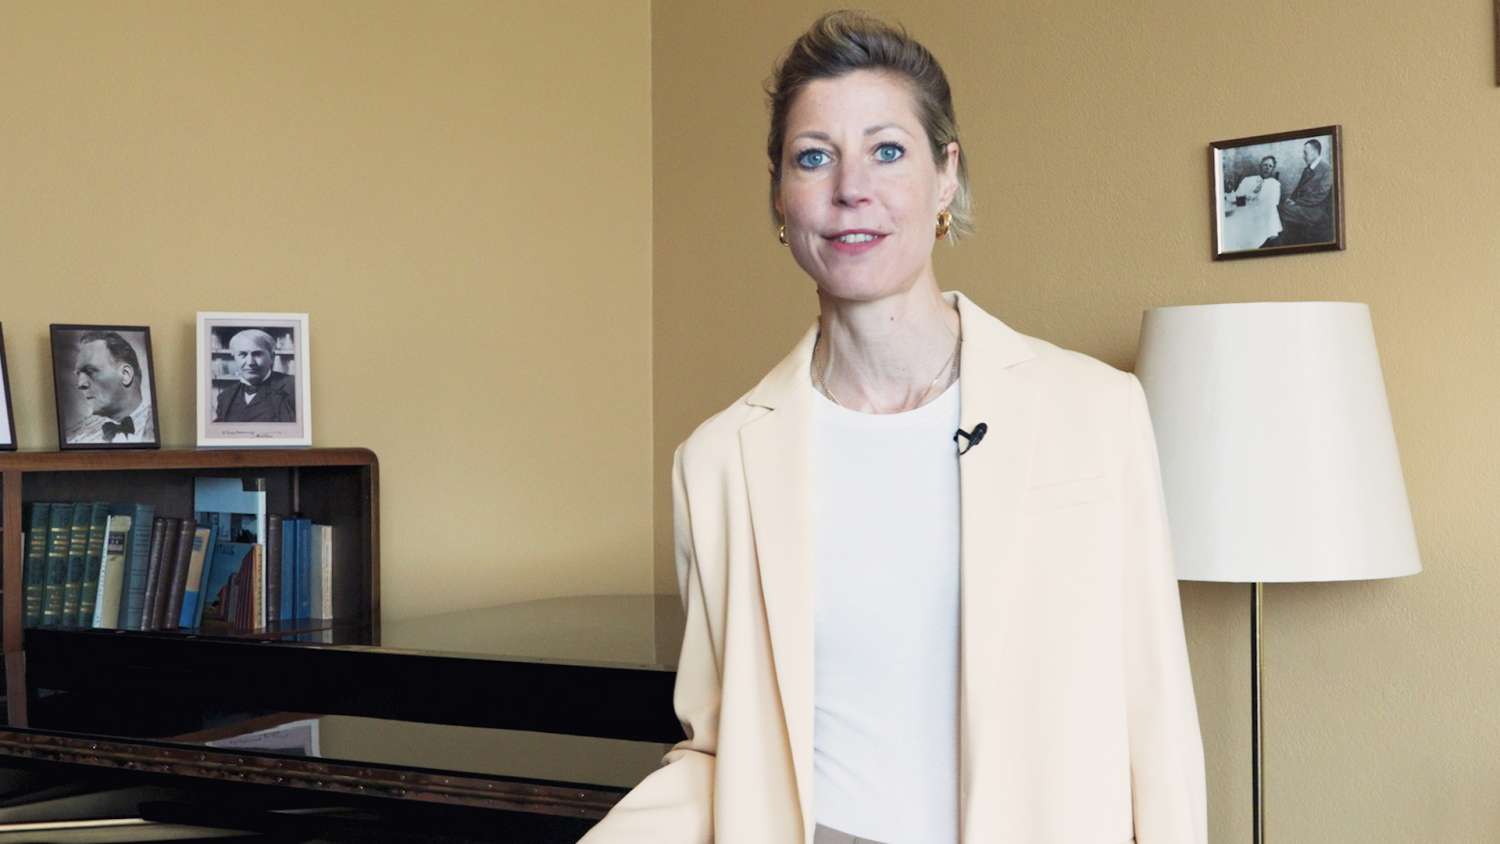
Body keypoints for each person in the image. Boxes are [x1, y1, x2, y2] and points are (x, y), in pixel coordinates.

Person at [581, 11, 1205, 844]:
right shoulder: (718, 462)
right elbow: (721, 752)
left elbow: (1156, 726)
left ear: (945, 177)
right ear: (779, 196)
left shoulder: (1096, 411)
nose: (851, 188)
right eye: (814, 157)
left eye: (887, 150)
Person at [66, 331, 156, 445]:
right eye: (78, 374)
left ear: (126, 374)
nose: (80, 384)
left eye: (90, 371)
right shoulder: (74, 439)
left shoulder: (163, 424)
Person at [214, 329, 296, 424]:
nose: (250, 362)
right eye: (243, 354)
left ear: (272, 357)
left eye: (257, 354)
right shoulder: (225, 396)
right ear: (234, 358)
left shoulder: (294, 387)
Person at [1273, 139, 1334, 246]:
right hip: (1303, 206)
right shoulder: (1307, 169)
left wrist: (1297, 202)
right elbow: (1298, 188)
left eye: (1305, 153)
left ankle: (1282, 241)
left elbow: (1320, 194)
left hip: (1315, 210)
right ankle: (1283, 239)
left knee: (1281, 209)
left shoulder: (1327, 170)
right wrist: (1291, 199)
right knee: (1281, 205)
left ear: (1315, 152)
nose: (1303, 156)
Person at [1222, 155, 1282, 250]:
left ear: (1273, 169)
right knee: (1230, 224)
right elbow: (1237, 199)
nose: (1267, 168)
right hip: (1244, 210)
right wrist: (1246, 198)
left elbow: (1274, 203)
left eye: (1270, 166)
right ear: (1260, 166)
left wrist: (1257, 200)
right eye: (1265, 165)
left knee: (1253, 231)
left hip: (1262, 214)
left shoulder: (1274, 184)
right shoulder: (1248, 180)